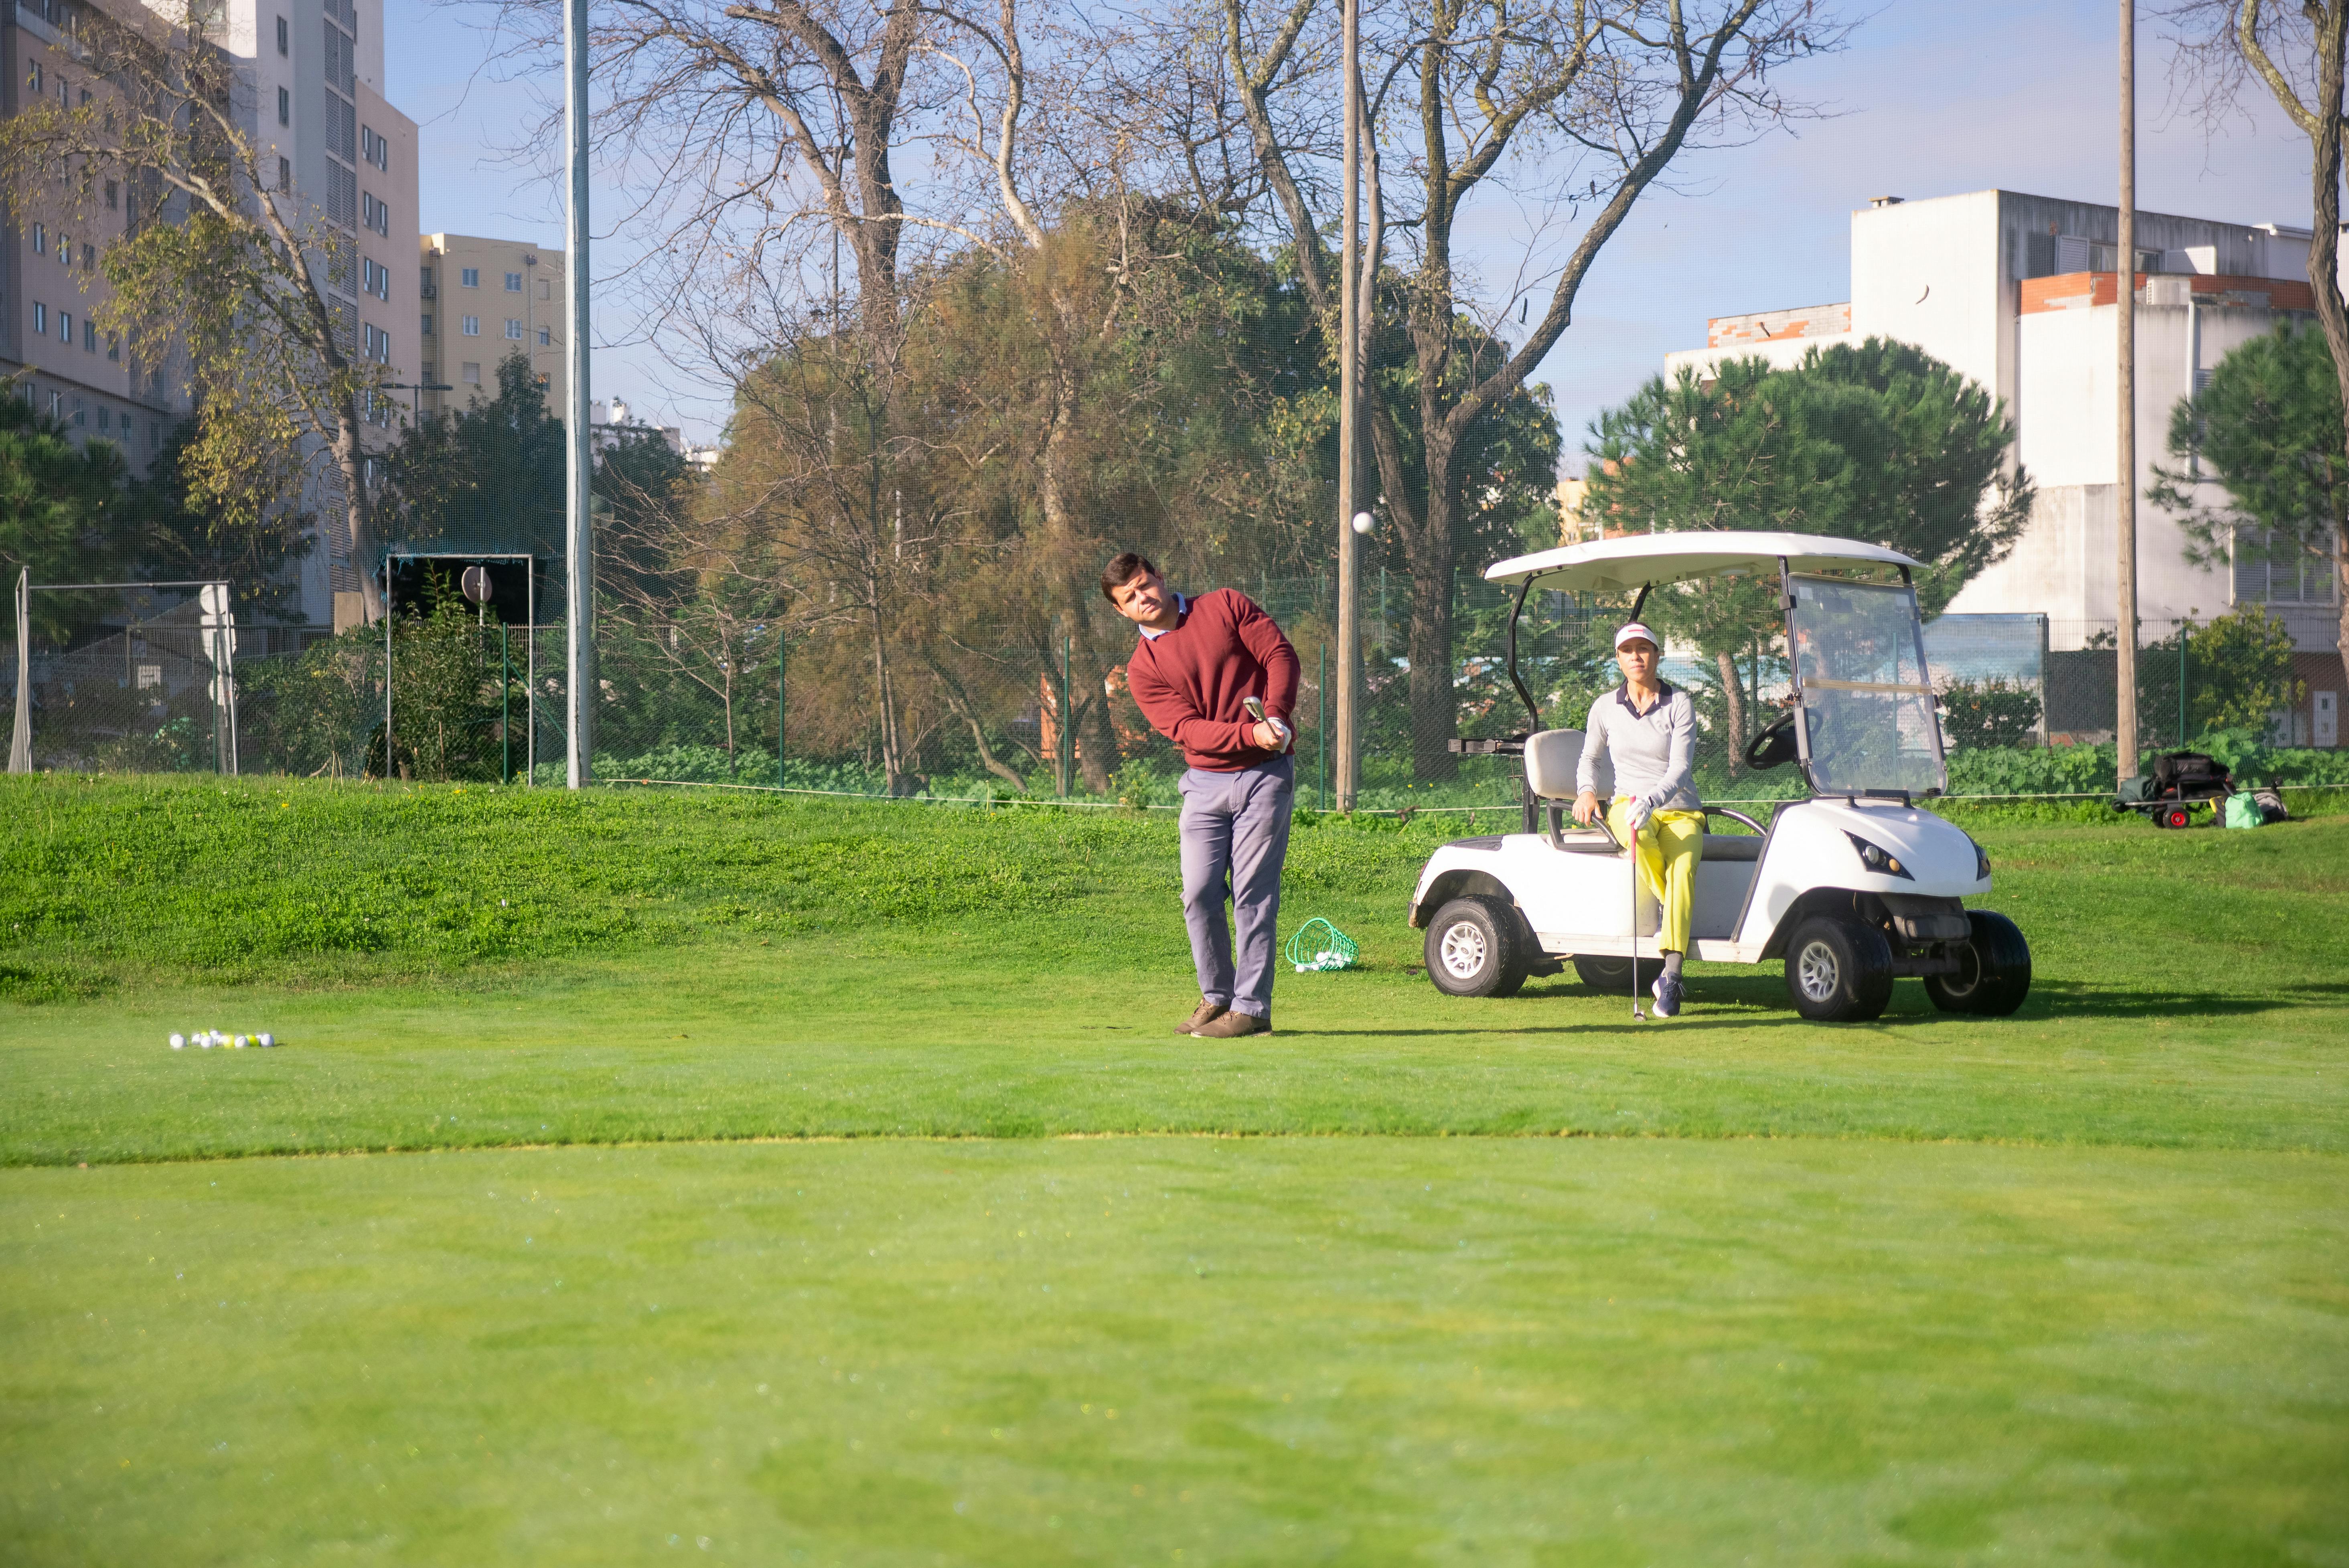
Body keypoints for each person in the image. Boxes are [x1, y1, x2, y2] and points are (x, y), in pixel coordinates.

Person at [1103, 552, 1299, 1039]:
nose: (1142, 597)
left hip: (1264, 774)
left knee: (1254, 894)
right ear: (1120, 611)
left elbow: (1280, 656)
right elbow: (1189, 729)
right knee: (1198, 893)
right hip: (1203, 783)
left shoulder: (1224, 605)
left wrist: (1274, 717)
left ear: (1161, 579)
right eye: (1129, 596)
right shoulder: (1142, 669)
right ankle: (1217, 998)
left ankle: (1251, 1009)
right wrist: (1248, 735)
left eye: (1145, 584)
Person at [1573, 622, 1703, 1018]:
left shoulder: (1679, 703)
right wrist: (1585, 790)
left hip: (1679, 807)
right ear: (1618, 659)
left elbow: (1680, 767)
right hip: (1627, 804)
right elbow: (1590, 758)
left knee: (1684, 870)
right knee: (1639, 835)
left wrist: (1653, 798)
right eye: (1627, 650)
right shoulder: (1604, 707)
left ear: (1656, 655)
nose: (1635, 656)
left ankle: (1671, 976)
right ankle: (1671, 907)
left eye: (1643, 648)